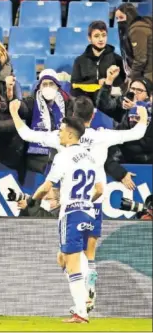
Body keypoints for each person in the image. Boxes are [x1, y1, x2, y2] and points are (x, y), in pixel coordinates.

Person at [9, 96, 148, 313]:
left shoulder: (61, 136)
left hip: (72, 200)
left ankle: (82, 298)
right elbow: (138, 133)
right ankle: (89, 282)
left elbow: (26, 134)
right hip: (95, 198)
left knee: (66, 256)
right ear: (93, 116)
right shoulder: (102, 136)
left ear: (72, 116)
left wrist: (14, 112)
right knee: (88, 252)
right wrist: (143, 114)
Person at [25, 117, 104, 323]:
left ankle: (81, 310)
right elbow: (99, 190)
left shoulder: (63, 156)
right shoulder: (90, 157)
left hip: (71, 214)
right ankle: (85, 286)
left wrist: (31, 201)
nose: (58, 134)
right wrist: (84, 201)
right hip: (88, 213)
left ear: (70, 134)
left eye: (60, 131)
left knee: (71, 263)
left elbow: (46, 186)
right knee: (63, 258)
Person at [96, 66, 153, 187]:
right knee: (101, 150)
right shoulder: (124, 105)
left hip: (148, 158)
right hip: (124, 157)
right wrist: (108, 82)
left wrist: (138, 110)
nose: (134, 93)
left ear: (149, 96)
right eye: (132, 89)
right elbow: (102, 105)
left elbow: (146, 141)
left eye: (139, 90)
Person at [71, 20, 125, 102]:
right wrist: (96, 82)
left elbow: (122, 86)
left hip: (110, 103)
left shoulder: (117, 59)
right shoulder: (79, 61)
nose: (101, 39)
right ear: (89, 38)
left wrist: (108, 82)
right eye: (96, 36)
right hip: (87, 103)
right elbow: (74, 86)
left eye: (104, 35)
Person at [115, 3, 152, 81]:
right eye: (117, 18)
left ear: (130, 15)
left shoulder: (137, 29)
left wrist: (132, 78)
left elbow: (140, 59)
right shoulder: (138, 26)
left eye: (121, 17)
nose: (119, 21)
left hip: (149, 73)